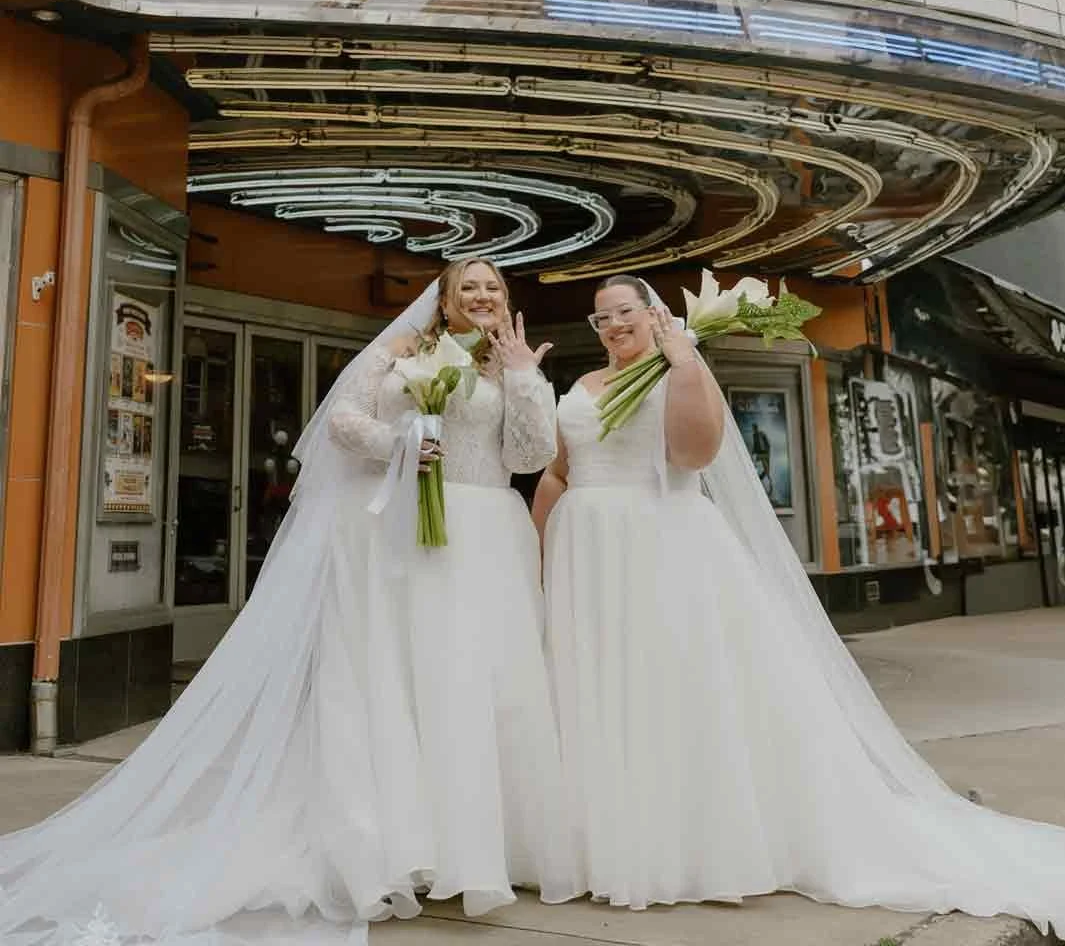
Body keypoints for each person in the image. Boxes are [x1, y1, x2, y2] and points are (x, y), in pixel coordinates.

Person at [0, 259, 573, 946]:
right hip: (408, 540)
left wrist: (520, 377)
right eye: (468, 288)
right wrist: (401, 442)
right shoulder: (399, 353)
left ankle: (487, 845)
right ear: (443, 302)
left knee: (486, 688)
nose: (482, 297)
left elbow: (528, 453)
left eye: (494, 289)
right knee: (405, 683)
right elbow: (343, 423)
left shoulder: (507, 369)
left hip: (487, 538)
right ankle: (400, 842)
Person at [534, 272, 1065, 932]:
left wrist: (682, 362)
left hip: (659, 549)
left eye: (623, 312)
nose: (612, 325)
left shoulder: (680, 371)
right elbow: (559, 472)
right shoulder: (582, 389)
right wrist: (541, 552)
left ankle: (694, 841)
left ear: (654, 315)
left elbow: (693, 454)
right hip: (588, 559)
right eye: (599, 318)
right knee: (603, 692)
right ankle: (604, 834)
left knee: (674, 687)